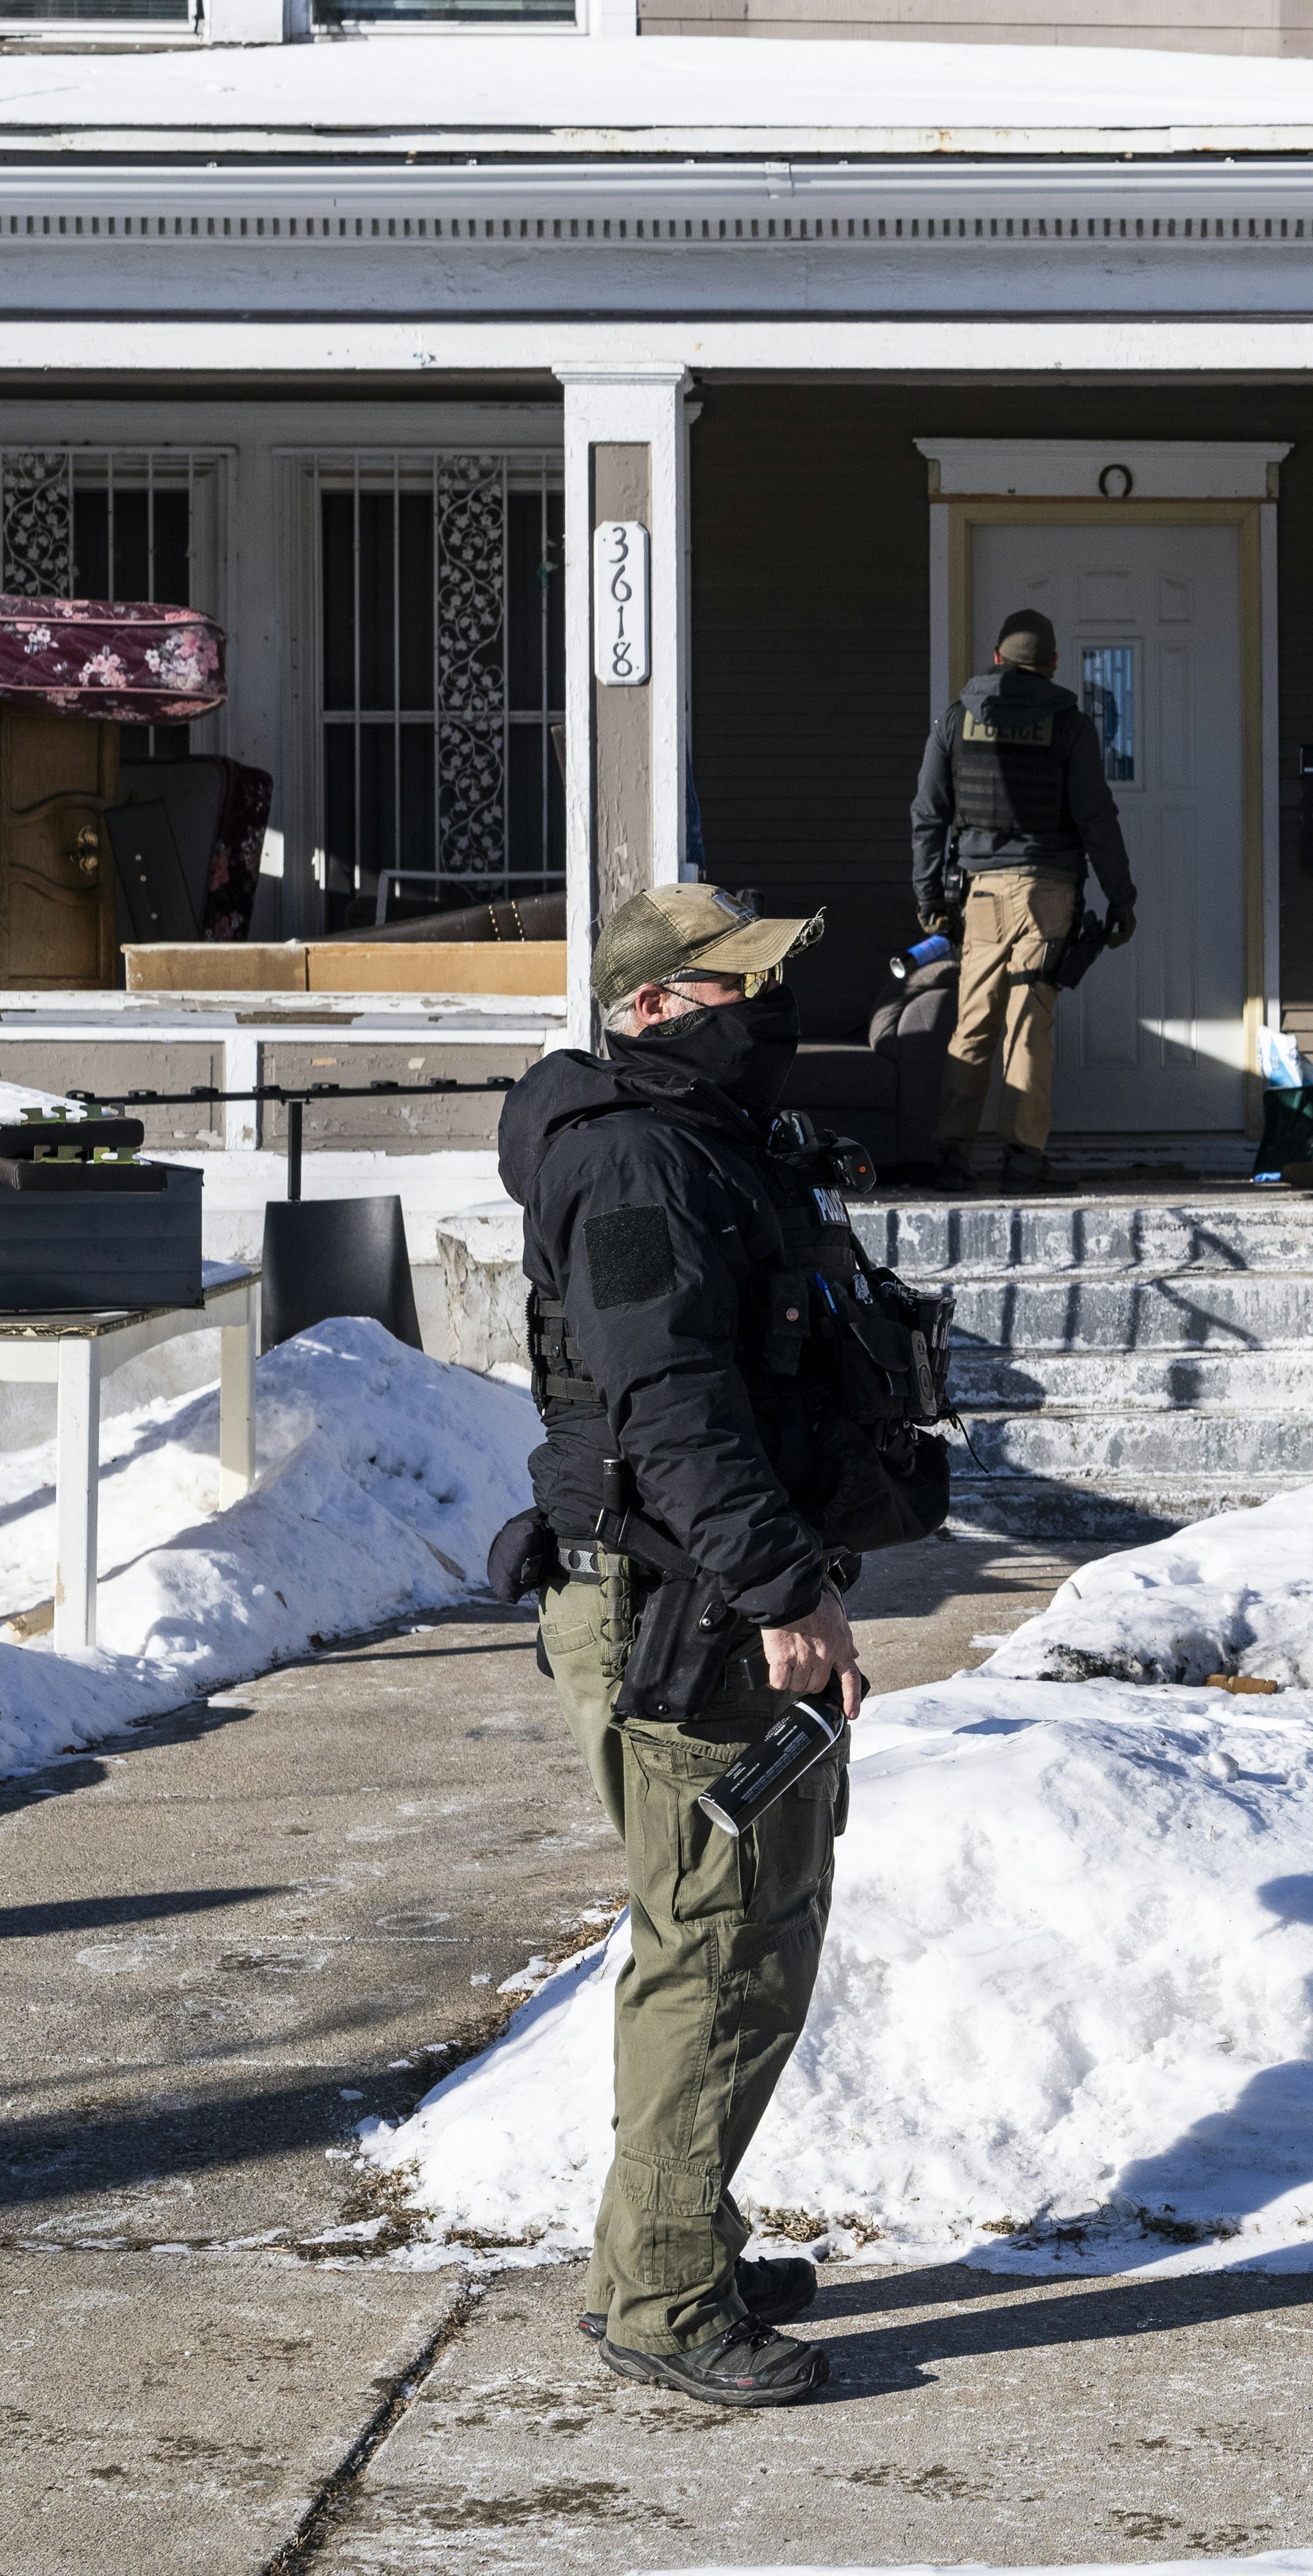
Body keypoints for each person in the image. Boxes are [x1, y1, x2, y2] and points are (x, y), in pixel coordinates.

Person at [495, 883, 875, 2410]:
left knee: (752, 1931)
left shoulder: (695, 1143)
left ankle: (677, 2242)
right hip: (687, 1609)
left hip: (709, 1593)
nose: (766, 1015)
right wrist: (786, 1590)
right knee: (717, 1947)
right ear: (654, 1008)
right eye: (738, 991)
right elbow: (673, 1412)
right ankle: (659, 2296)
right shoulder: (637, 1160)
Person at [910, 608, 1136, 1189]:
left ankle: (953, 1161)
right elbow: (1096, 818)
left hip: (980, 894)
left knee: (974, 1022)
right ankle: (1023, 1163)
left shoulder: (956, 720)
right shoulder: (1070, 725)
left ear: (996, 659)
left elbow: (928, 815)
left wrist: (927, 894)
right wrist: (1121, 896)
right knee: (1028, 1025)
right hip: (1047, 891)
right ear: (1053, 663)